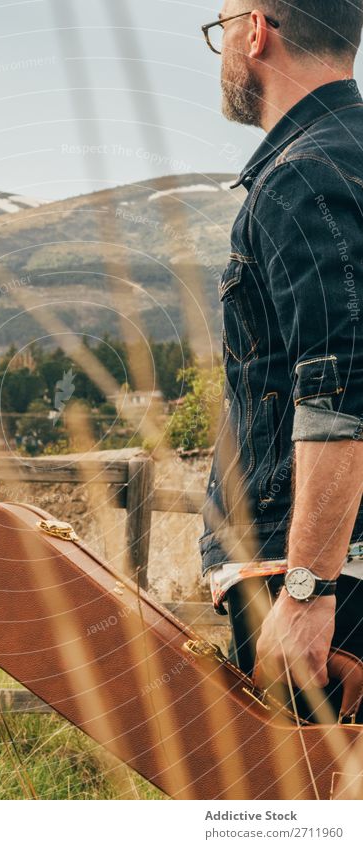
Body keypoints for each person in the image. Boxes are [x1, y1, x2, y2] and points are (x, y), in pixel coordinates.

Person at [198, 2, 363, 721]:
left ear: (257, 31)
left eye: (224, 27)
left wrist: (305, 591)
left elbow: (344, 388)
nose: (225, 45)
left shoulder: (303, 176)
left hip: (327, 587)